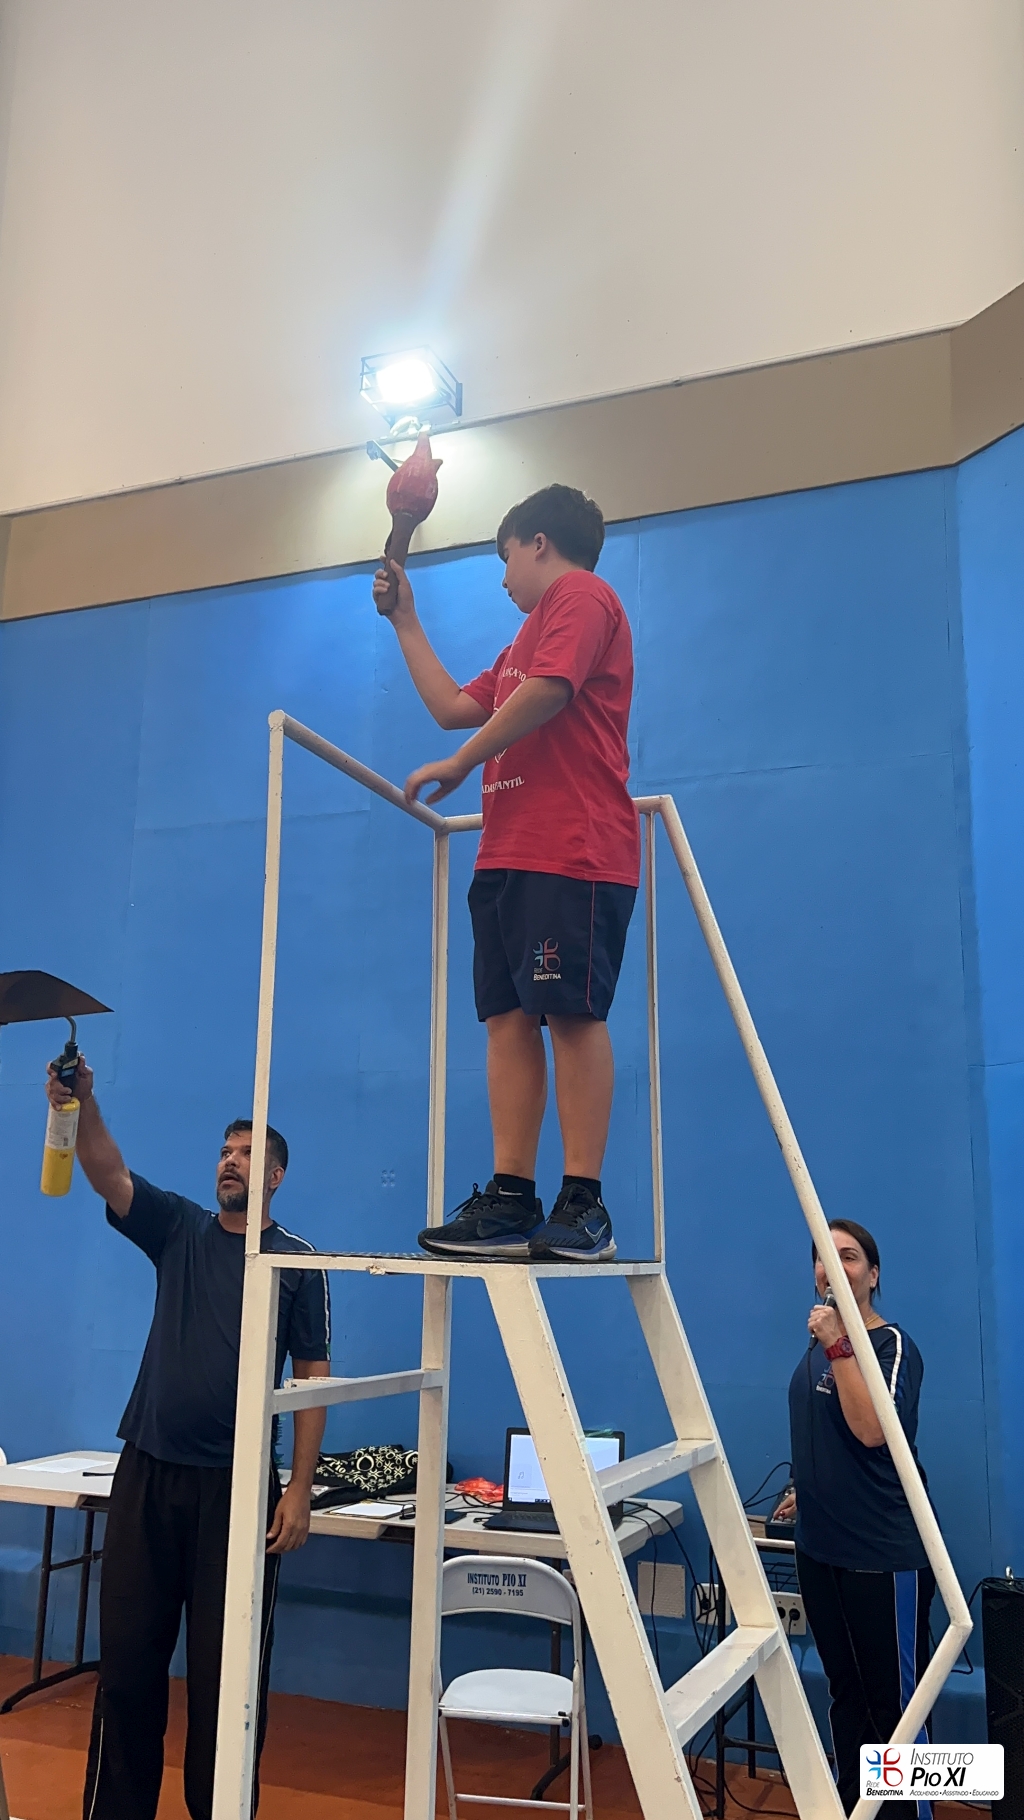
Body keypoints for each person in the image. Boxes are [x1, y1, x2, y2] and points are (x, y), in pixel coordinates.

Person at [44, 1059, 331, 1820]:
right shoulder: (178, 1228)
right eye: (225, 1151)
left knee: (227, 1681)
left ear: (275, 1177)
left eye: (247, 1154)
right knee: (128, 1670)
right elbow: (108, 1174)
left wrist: (300, 1488)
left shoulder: (298, 1264)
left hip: (237, 1491)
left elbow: (312, 1377)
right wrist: (83, 1103)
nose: (230, 1162)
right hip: (148, 1477)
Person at [373, 483, 640, 1262]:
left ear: (538, 543)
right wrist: (405, 619)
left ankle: (584, 1202)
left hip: (571, 848)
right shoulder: (520, 645)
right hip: (506, 854)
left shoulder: (582, 598)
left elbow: (550, 695)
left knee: (571, 1014)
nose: (503, 579)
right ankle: (512, 1195)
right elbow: (454, 707)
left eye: (506, 558)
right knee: (507, 1020)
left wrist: (461, 763)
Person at [775, 1219, 934, 1817]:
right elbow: (826, 1428)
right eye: (822, 1256)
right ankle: (856, 1808)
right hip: (820, 1549)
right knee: (846, 1695)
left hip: (882, 1555)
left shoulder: (889, 1345)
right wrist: (807, 1487)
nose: (832, 1267)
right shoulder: (820, 1342)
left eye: (848, 1256)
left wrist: (840, 1343)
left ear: (873, 1274)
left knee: (897, 1708)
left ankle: (909, 1813)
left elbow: (871, 1430)